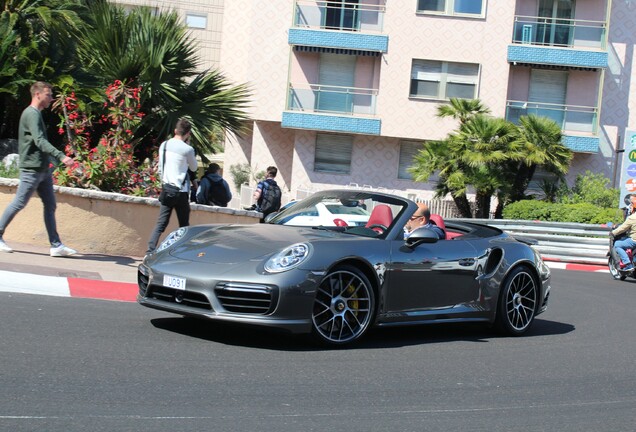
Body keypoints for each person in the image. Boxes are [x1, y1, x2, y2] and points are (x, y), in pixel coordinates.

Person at [0, 82, 77, 257]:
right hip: (31, 169)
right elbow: (39, 140)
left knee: (50, 205)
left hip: (42, 169)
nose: (51, 98)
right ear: (37, 95)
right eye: (48, 95)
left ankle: (56, 245)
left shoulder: (36, 114)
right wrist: (61, 156)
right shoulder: (31, 114)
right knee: (19, 202)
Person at [146, 118, 197, 255]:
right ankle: (183, 252)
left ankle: (150, 250)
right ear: (188, 134)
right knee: (184, 226)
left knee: (161, 223)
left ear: (175, 131)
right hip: (181, 191)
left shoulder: (164, 145)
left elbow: (161, 168)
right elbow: (193, 167)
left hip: (167, 188)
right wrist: (189, 146)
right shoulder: (188, 149)